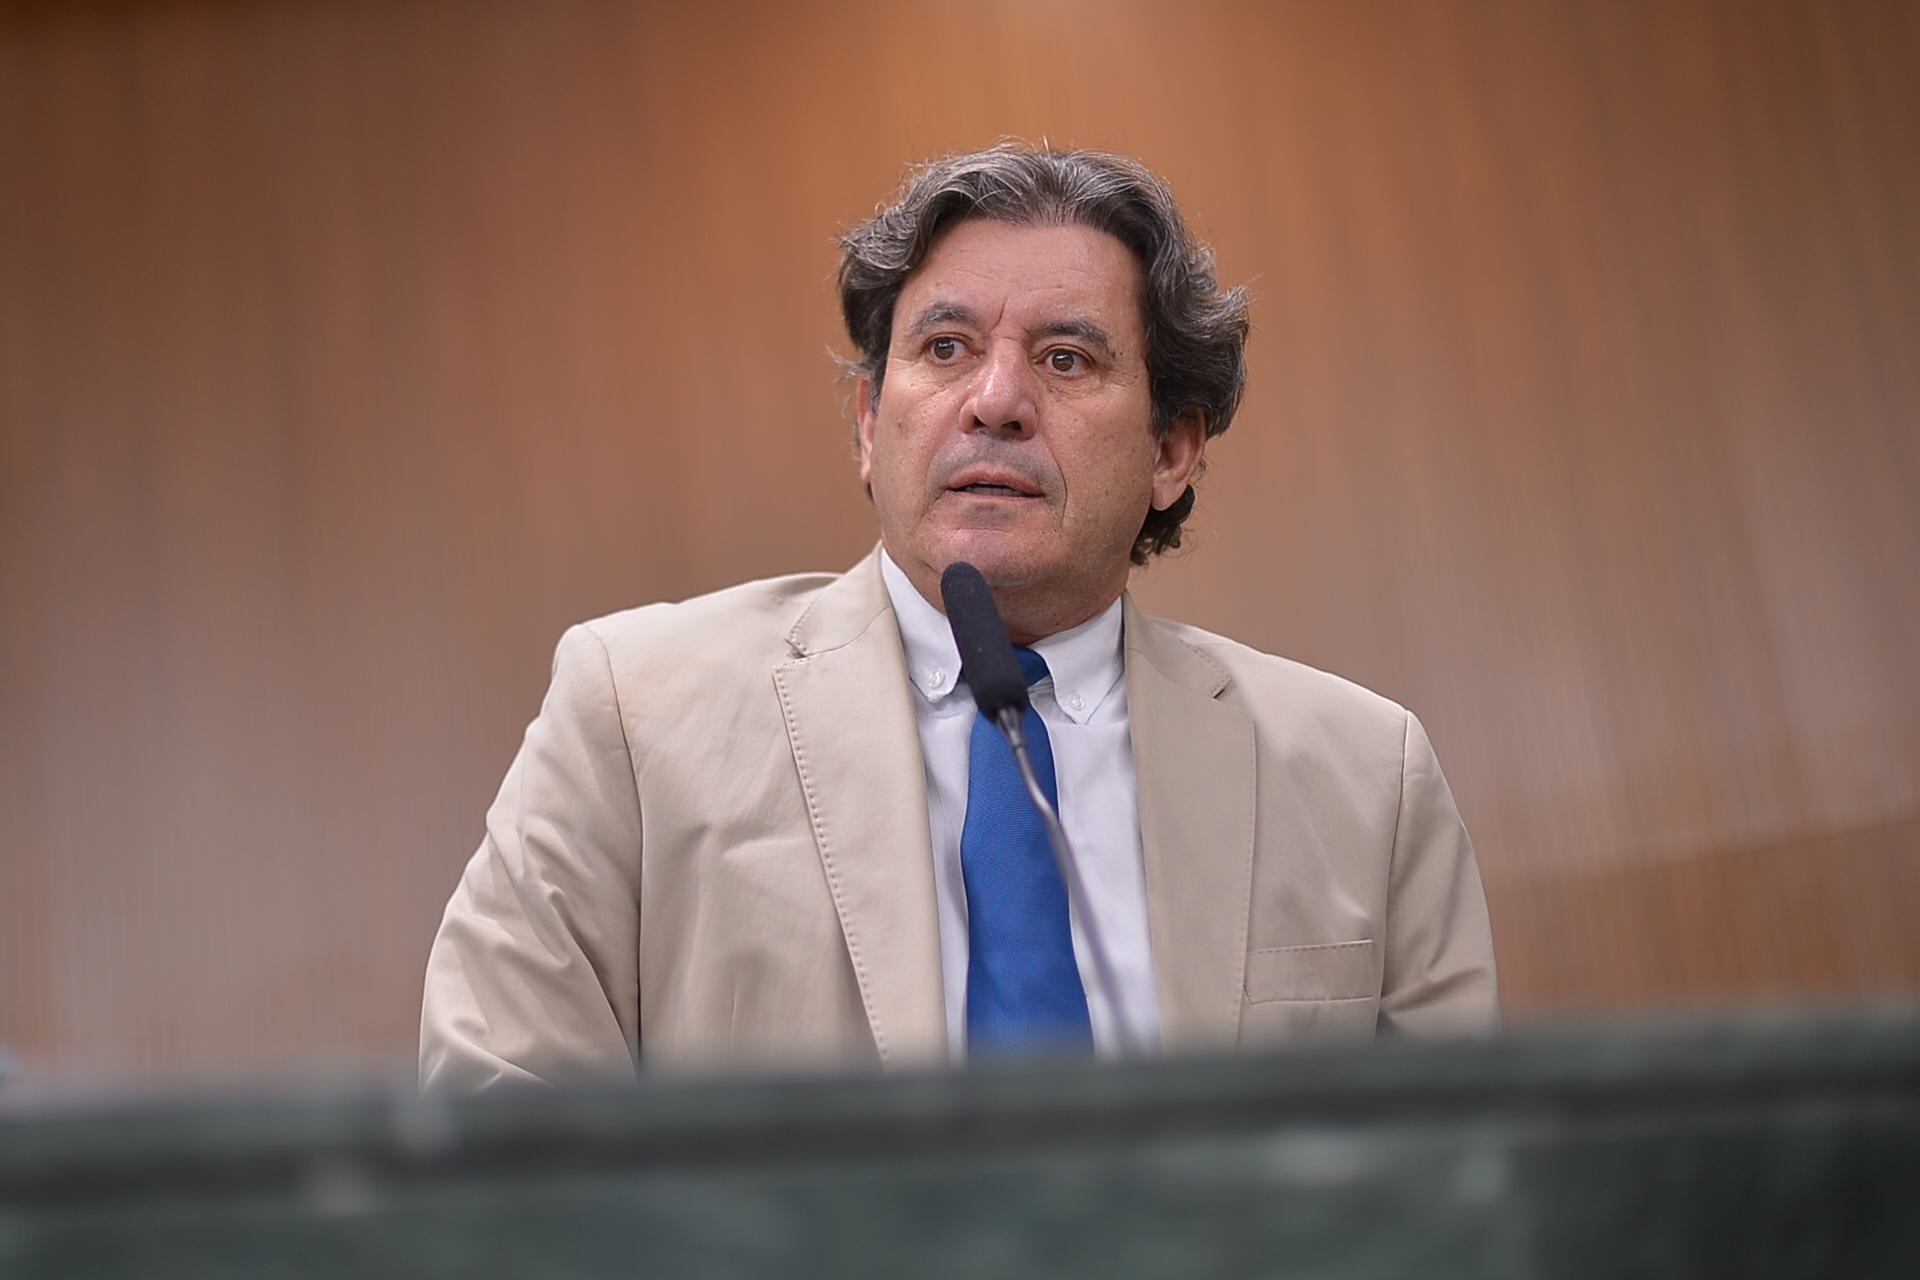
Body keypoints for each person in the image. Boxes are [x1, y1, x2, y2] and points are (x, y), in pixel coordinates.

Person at [420, 142, 1497, 1090]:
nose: (995, 400)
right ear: (867, 422)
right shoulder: (634, 713)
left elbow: (1464, 1176)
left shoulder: (1364, 778)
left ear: (1172, 450)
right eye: (945, 348)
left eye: (1066, 358)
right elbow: (500, 1118)